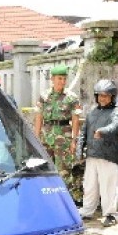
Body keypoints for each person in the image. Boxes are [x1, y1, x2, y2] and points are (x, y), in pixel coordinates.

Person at [77, 79, 118, 227]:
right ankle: (87, 211)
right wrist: (80, 151)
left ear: (112, 97)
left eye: (105, 96)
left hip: (108, 155)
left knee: (108, 187)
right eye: (99, 95)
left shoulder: (117, 111)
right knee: (90, 186)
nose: (102, 98)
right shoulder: (92, 113)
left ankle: (111, 214)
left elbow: (116, 125)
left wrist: (102, 131)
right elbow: (83, 133)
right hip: (92, 155)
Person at [34, 65, 82, 201]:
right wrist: (36, 138)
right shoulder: (44, 96)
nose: (62, 81)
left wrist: (74, 140)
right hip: (46, 136)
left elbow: (75, 119)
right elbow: (38, 117)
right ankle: (46, 198)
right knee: (44, 168)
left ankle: (65, 200)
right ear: (52, 79)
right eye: (59, 78)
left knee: (64, 170)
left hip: (64, 136)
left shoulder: (71, 97)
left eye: (64, 79)